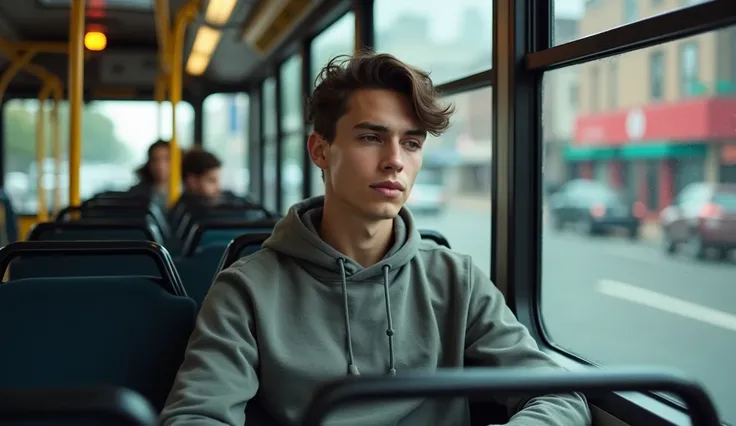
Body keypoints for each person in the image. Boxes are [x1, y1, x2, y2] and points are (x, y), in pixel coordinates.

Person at [160, 53, 592, 426]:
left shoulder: (455, 279)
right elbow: (197, 414)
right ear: (320, 151)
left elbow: (558, 396)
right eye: (371, 137)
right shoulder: (247, 288)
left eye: (412, 143)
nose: (394, 162)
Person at [129, 139, 169, 206]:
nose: (160, 166)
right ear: (149, 164)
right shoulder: (136, 193)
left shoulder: (185, 192)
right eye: (155, 160)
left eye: (167, 159)